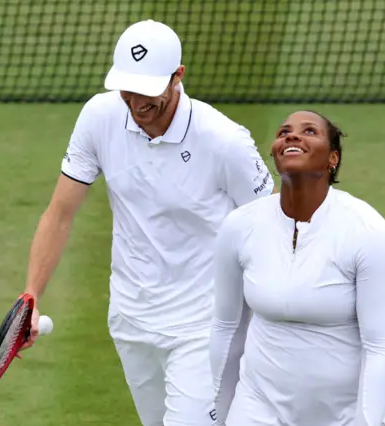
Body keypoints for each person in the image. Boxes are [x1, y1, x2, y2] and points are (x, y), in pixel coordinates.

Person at [19, 19, 275, 426]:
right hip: (131, 320)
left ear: (179, 77)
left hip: (206, 324)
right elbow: (59, 213)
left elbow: (271, 228)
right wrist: (30, 296)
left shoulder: (226, 142)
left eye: (149, 90)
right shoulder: (98, 118)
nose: (137, 102)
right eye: (128, 88)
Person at [209, 110, 385, 426]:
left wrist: (366, 421)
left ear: (332, 159)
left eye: (309, 131)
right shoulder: (239, 227)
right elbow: (226, 328)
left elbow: (380, 348)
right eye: (284, 131)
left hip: (345, 415)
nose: (292, 135)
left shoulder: (368, 231)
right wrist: (216, 415)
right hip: (258, 408)